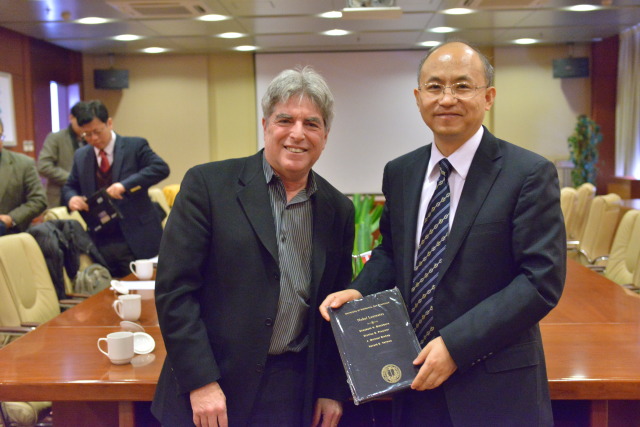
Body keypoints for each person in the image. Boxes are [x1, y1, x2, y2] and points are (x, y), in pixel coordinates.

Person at [321, 41, 566, 426]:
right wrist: (361, 290)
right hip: (414, 378)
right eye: (434, 87)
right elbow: (392, 253)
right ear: (418, 98)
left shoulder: (528, 173)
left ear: (489, 97)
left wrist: (456, 346)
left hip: (494, 386)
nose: (447, 98)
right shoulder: (401, 172)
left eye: (462, 86)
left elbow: (540, 281)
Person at [152, 66, 354, 427]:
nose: (297, 133)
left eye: (311, 123)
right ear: (265, 125)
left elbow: (333, 310)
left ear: (325, 136)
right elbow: (175, 292)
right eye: (285, 120)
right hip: (212, 387)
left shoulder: (338, 209)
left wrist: (330, 387)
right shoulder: (208, 186)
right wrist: (200, 382)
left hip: (291, 391)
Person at [61, 100, 169, 277]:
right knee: (111, 289)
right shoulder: (82, 155)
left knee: (148, 285)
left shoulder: (134, 146)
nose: (93, 138)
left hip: (138, 234)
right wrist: (72, 198)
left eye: (97, 132)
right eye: (87, 134)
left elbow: (160, 168)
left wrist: (124, 185)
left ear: (109, 123)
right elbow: (69, 186)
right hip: (102, 238)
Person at [0, 117, 47, 236]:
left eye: (0, 136)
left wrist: (11, 218)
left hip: (12, 236)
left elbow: (39, 200)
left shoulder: (23, 164)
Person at [37, 101, 87, 207]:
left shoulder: (91, 138)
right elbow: (43, 166)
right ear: (71, 118)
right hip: (60, 197)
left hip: (86, 195)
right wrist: (72, 178)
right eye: (80, 122)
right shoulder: (56, 138)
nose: (83, 126)